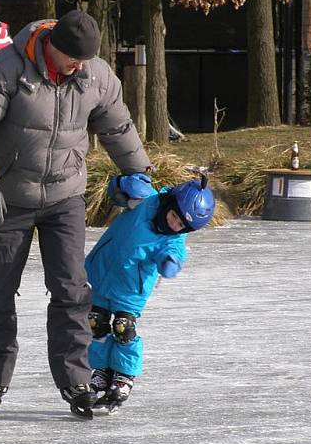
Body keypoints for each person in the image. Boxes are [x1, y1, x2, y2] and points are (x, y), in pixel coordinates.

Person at [0, 9, 152, 419]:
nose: (79, 66)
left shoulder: (95, 75)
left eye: (85, 60)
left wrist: (139, 173)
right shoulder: (8, 67)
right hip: (8, 196)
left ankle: (76, 378)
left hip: (65, 197)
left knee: (72, 290)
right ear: (52, 46)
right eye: (73, 59)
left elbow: (117, 127)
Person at [85, 175, 216, 412]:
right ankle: (101, 369)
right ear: (169, 204)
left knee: (123, 327)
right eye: (174, 217)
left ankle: (124, 374)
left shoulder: (172, 240)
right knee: (96, 323)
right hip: (100, 271)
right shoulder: (145, 200)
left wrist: (170, 263)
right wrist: (122, 186)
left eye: (182, 226)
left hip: (130, 288)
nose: (174, 226)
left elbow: (176, 254)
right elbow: (116, 192)